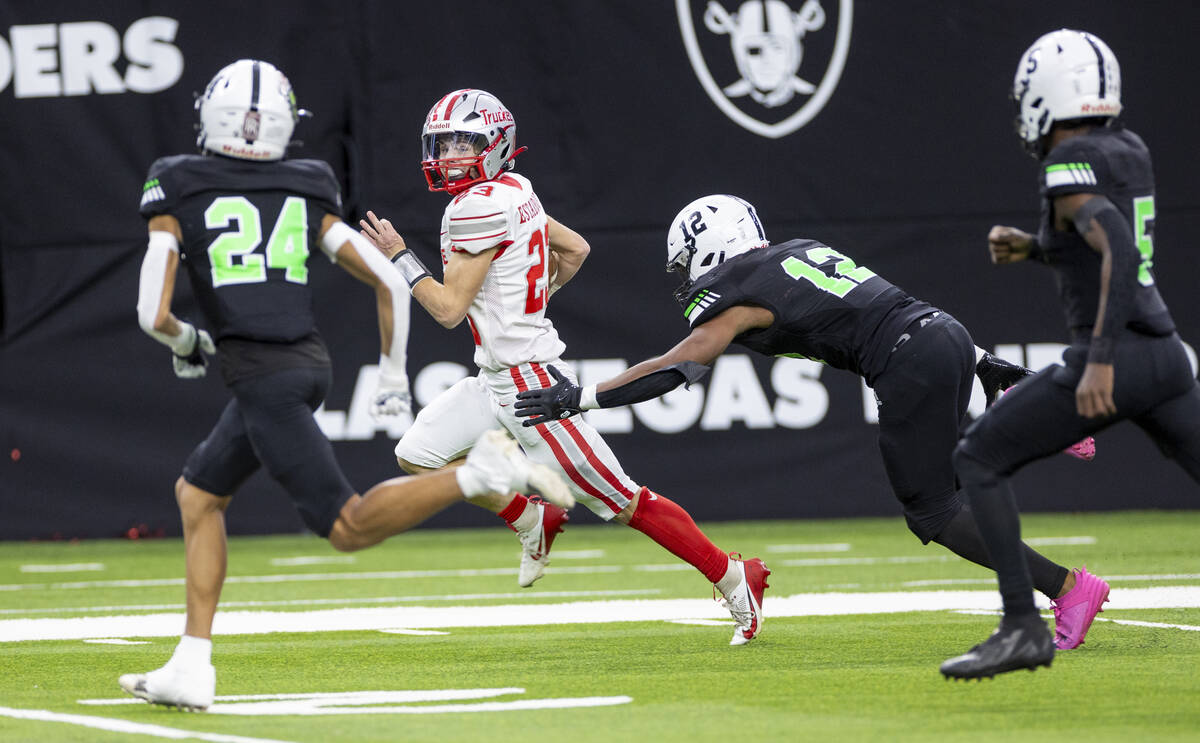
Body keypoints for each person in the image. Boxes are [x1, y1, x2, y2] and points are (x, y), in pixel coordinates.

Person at [118, 61, 571, 711]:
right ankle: (191, 662)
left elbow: (151, 314)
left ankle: (477, 472)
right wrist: (391, 373)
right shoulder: (307, 183)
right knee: (197, 493)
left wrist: (187, 342)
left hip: (264, 377)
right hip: (302, 364)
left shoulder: (177, 181)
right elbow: (389, 281)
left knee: (348, 525)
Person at [511, 193, 1104, 652]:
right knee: (950, 484)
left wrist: (583, 397)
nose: (687, 276)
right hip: (944, 333)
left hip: (907, 359)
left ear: (710, 249)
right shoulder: (797, 251)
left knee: (933, 511)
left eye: (688, 261)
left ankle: (1068, 589)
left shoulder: (732, 291)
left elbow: (679, 368)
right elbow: (893, 310)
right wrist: (988, 364)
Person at [357, 88, 769, 647]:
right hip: (495, 378)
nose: (450, 154)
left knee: (626, 502)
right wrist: (530, 301)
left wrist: (400, 258)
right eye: (444, 143)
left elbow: (449, 311)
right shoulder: (515, 189)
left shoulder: (472, 207)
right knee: (417, 454)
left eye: (464, 142)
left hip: (530, 385)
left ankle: (733, 575)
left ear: (496, 144)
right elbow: (575, 250)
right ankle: (533, 519)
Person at [940, 30, 1200, 680]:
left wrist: (1102, 357)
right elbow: (1096, 231)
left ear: (1044, 96)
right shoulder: (1128, 148)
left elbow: (1115, 241)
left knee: (977, 455)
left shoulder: (1066, 162)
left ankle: (1022, 626)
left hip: (1116, 356)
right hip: (1166, 356)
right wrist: (1035, 246)